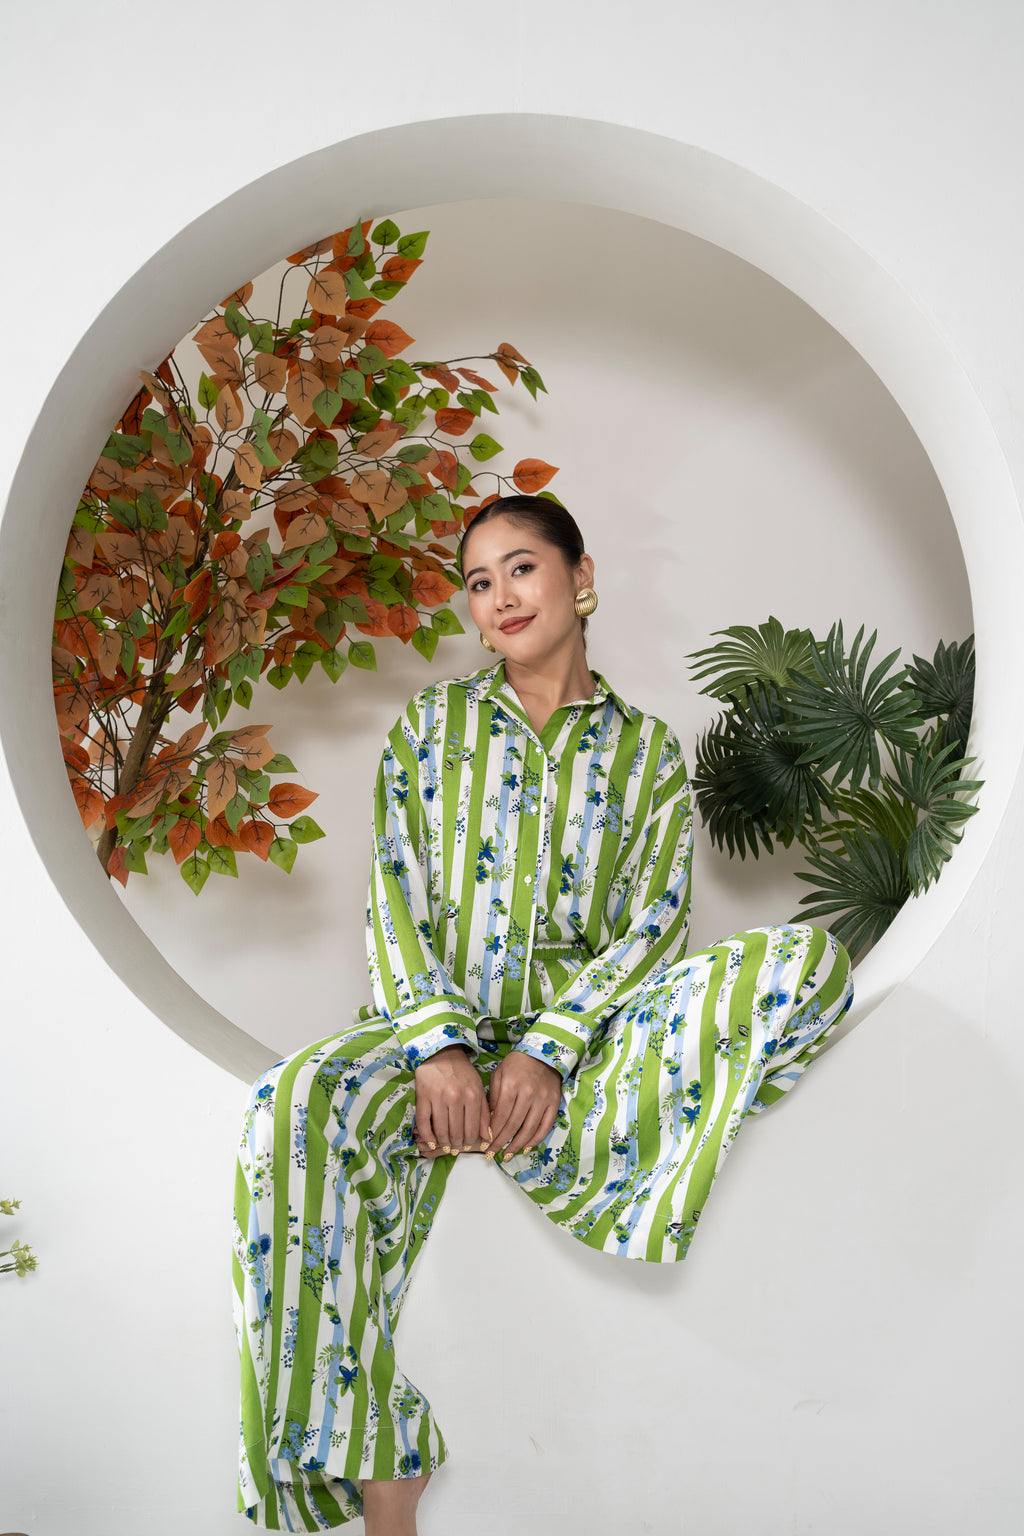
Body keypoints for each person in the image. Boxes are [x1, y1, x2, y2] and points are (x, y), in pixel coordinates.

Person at [232, 494, 854, 1534]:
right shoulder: (431, 730)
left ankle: (562, 1140)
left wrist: (551, 1052)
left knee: (804, 962)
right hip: (427, 1047)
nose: (499, 597)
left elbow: (653, 926)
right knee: (287, 1105)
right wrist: (435, 1050)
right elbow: (393, 896)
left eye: (520, 568)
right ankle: (380, 1453)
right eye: (478, 583)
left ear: (579, 575)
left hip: (585, 1062)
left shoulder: (648, 755)